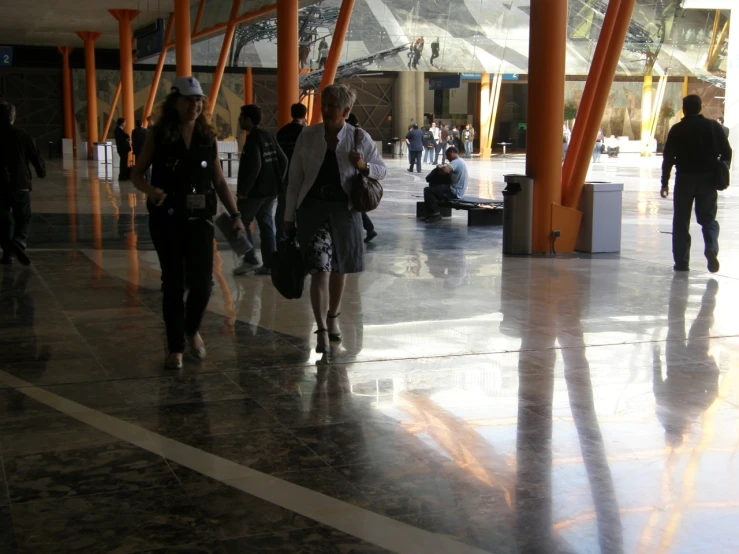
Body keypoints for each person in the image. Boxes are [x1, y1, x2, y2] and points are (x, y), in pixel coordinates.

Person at [131, 76, 245, 370]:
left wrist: (235, 216)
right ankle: (175, 348)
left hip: (200, 218)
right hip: (166, 217)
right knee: (172, 283)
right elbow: (137, 173)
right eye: (188, 99)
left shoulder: (208, 137)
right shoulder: (159, 135)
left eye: (198, 100)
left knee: (203, 282)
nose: (194, 105)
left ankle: (191, 328)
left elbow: (218, 179)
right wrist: (151, 191)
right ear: (175, 102)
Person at [283, 83, 386, 353]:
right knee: (320, 268)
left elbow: (381, 171)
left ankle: (333, 317)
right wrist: (287, 216)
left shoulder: (359, 138)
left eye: (332, 106)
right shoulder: (308, 135)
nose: (326, 110)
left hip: (345, 211)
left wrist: (363, 165)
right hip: (313, 210)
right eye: (323, 104)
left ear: (346, 110)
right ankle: (320, 329)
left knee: (340, 268)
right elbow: (294, 178)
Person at [661, 94, 732, 273]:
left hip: (684, 178)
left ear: (684, 108)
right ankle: (711, 247)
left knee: (681, 221)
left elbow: (668, 157)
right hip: (708, 178)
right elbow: (727, 151)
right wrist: (722, 168)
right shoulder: (713, 126)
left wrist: (665, 182)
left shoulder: (678, 129)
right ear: (700, 108)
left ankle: (682, 262)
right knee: (708, 219)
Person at [233, 104, 288, 276]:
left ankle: (249, 260)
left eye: (241, 117)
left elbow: (255, 166)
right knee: (266, 226)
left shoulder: (253, 139)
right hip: (270, 191)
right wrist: (276, 180)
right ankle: (270, 264)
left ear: (248, 119)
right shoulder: (268, 136)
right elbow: (284, 160)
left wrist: (244, 191)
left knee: (237, 224)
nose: (239, 120)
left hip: (254, 193)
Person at [0, 102, 46, 266]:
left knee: (4, 220)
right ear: (12, 117)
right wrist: (41, 170)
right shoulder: (22, 135)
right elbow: (35, 156)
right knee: (23, 217)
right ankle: (19, 241)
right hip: (20, 182)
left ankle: (8, 255)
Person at [276, 103, 308, 241]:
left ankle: (281, 234)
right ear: (304, 115)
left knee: (283, 205)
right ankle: (299, 235)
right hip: (300, 175)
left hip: (284, 175)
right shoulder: (305, 133)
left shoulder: (281, 132)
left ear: (291, 114)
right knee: (300, 206)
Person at [346, 113, 377, 243]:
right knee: (357, 204)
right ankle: (370, 229)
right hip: (359, 176)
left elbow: (380, 169)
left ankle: (369, 229)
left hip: (356, 177)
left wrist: (364, 165)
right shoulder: (360, 135)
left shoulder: (357, 136)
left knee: (356, 204)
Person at [422, 146, 468, 223]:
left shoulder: (456, 161)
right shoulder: (460, 161)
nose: (447, 158)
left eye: (447, 156)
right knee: (434, 188)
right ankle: (431, 213)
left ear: (451, 153)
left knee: (428, 190)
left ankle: (435, 214)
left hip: (454, 191)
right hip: (457, 190)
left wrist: (440, 167)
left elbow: (445, 171)